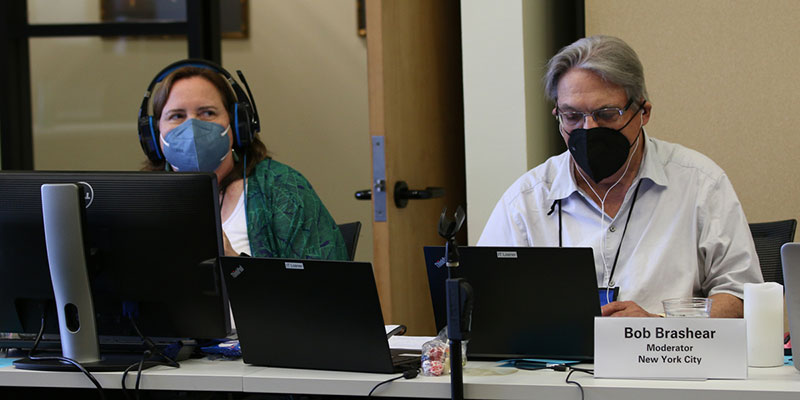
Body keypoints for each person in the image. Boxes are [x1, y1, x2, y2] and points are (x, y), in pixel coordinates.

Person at [478, 35, 763, 318]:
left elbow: (742, 296)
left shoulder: (701, 184)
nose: (588, 129)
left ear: (643, 112)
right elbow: (485, 300)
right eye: (572, 116)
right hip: (557, 363)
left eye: (607, 114)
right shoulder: (527, 200)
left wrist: (659, 330)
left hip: (668, 359)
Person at [138, 60, 348, 261]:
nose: (192, 128)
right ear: (154, 134)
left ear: (237, 125)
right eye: (176, 116)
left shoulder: (282, 188)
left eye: (207, 113)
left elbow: (324, 288)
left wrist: (234, 264)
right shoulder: (142, 202)